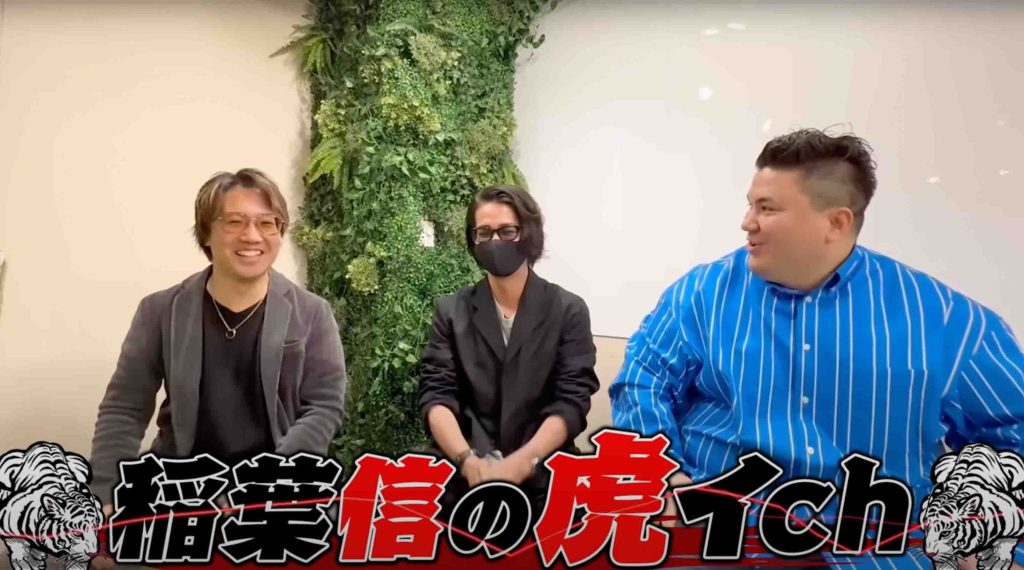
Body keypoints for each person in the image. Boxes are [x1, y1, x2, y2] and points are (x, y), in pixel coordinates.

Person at [610, 129, 1024, 567]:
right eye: (750, 204)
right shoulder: (702, 292)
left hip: (871, 551)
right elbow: (643, 380)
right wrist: (665, 474)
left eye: (767, 208)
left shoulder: (948, 322)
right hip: (718, 538)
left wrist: (995, 546)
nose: (747, 222)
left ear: (836, 223)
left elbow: (1013, 434)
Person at [89, 168, 347, 507]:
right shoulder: (160, 310)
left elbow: (323, 407)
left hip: (275, 495)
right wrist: (106, 493)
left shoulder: (312, 313)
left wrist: (267, 481)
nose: (252, 236)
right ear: (206, 232)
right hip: (180, 493)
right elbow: (125, 408)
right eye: (235, 222)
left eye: (267, 223)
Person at [418, 185, 600, 516]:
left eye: (506, 231)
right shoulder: (452, 311)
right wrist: (466, 459)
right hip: (465, 473)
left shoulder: (567, 310)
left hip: (544, 474)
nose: (495, 241)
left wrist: (523, 461)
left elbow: (571, 401)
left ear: (528, 234)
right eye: (484, 233)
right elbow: (437, 396)